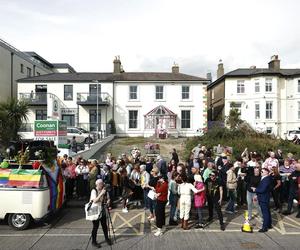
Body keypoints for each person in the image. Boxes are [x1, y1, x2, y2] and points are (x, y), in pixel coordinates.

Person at [89, 179, 112, 248]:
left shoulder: (104, 190)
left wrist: (108, 201)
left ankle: (107, 239)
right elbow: (95, 201)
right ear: (97, 184)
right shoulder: (94, 191)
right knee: (95, 226)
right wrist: (101, 193)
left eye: (102, 184)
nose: (102, 185)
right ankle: (94, 241)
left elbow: (108, 198)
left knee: (104, 225)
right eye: (101, 184)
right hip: (95, 210)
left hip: (102, 209)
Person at [252, 168, 272, 232]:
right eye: (261, 171)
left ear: (267, 172)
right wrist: (256, 194)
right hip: (263, 197)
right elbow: (261, 187)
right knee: (267, 212)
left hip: (264, 198)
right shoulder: (265, 178)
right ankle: (268, 224)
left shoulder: (266, 179)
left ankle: (264, 227)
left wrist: (255, 190)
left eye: (262, 171)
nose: (261, 172)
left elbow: (262, 189)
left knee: (265, 213)